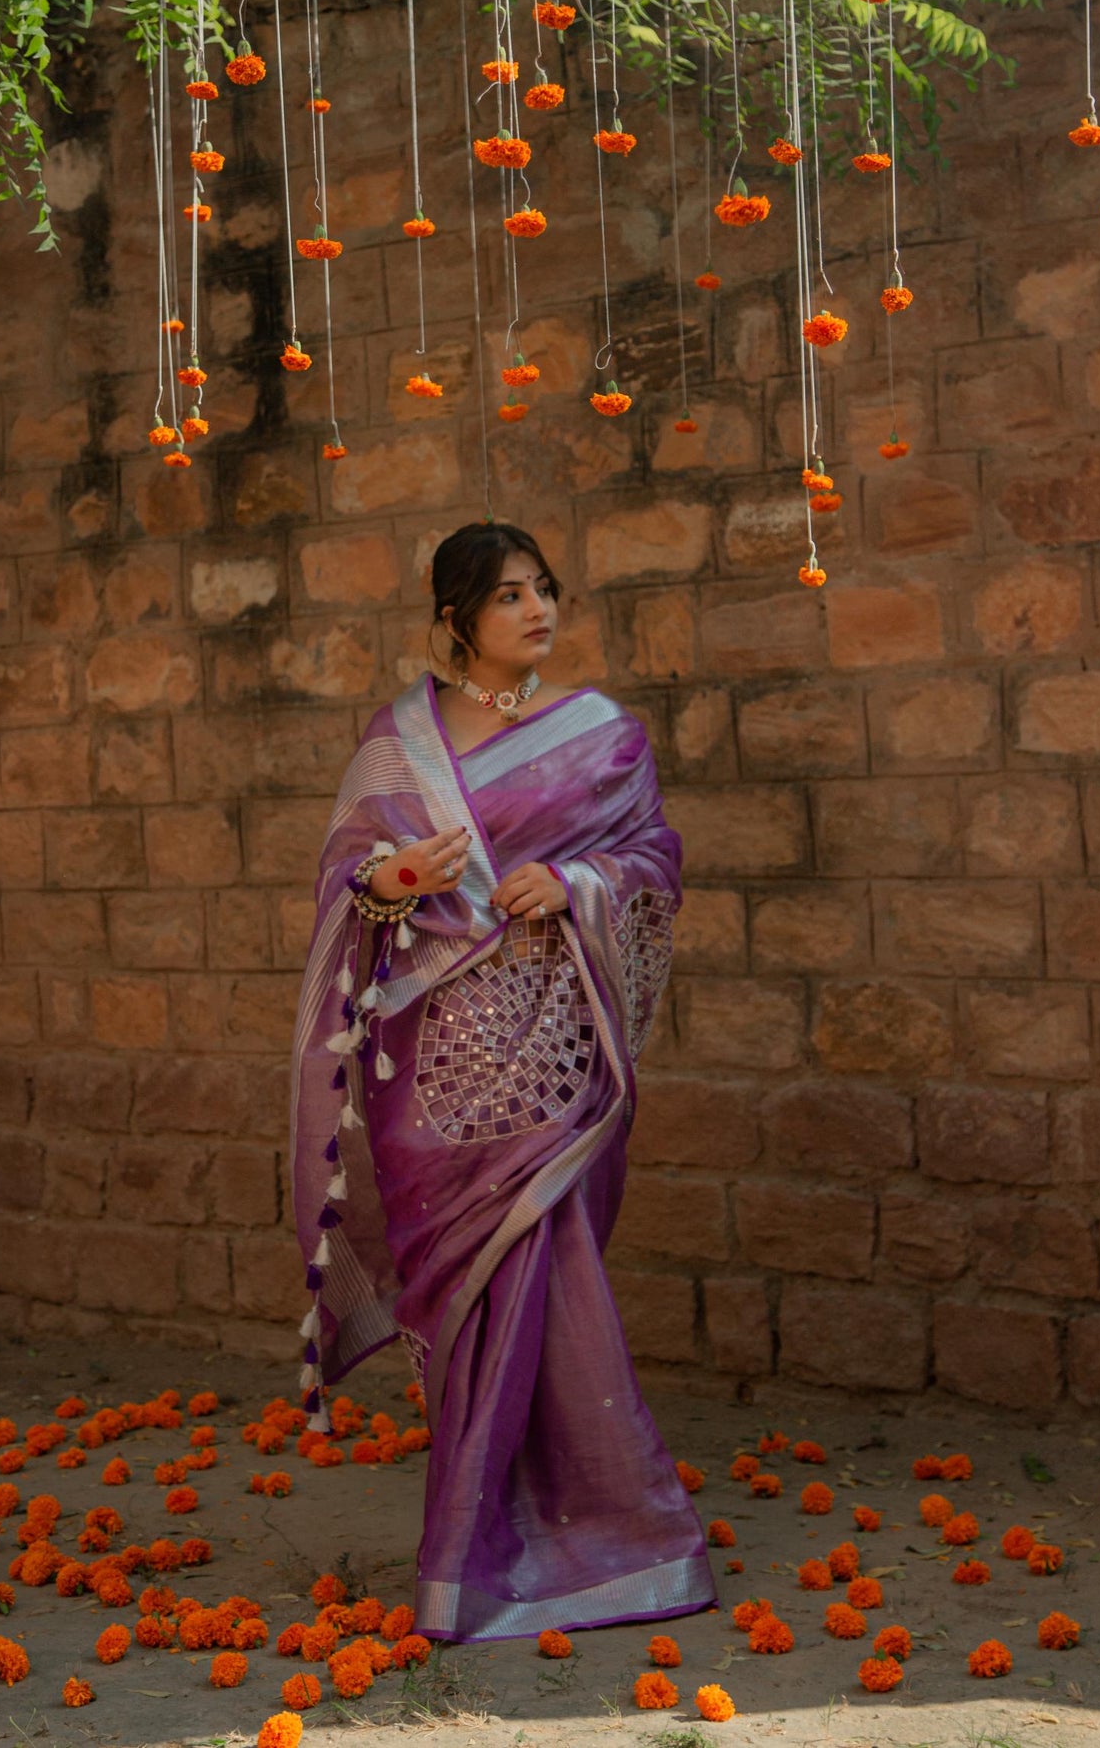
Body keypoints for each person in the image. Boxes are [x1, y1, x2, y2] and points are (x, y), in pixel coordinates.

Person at [290, 519, 715, 1643]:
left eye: (544, 591)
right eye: (508, 596)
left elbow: (654, 860)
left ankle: (600, 1535)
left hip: (549, 1052)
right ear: (455, 621)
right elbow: (349, 884)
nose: (536, 611)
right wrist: (392, 875)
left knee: (546, 1267)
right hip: (431, 1075)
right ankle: (489, 1541)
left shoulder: (604, 738)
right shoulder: (395, 747)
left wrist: (573, 880)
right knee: (478, 1294)